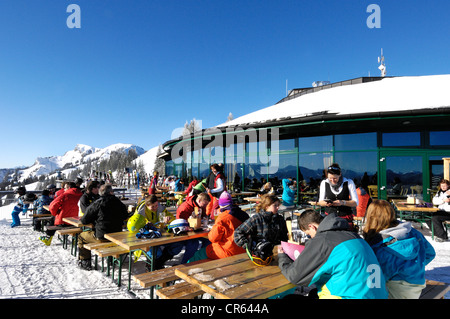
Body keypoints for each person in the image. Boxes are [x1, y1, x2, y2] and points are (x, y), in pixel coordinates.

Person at [278, 209, 388, 299]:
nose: (311, 238)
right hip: (376, 294)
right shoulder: (355, 237)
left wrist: (283, 257)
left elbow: (295, 276)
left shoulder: (324, 240)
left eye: (309, 234)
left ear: (312, 227)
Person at [363, 200, 436, 298]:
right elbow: (430, 253)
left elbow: (378, 278)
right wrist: (414, 267)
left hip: (396, 291)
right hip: (417, 286)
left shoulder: (380, 245)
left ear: (371, 217)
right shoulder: (412, 232)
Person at [77, 184, 129, 270]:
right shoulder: (118, 202)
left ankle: (85, 262)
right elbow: (125, 216)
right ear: (111, 192)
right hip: (117, 236)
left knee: (81, 237)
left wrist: (95, 219)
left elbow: (84, 220)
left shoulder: (98, 203)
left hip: (102, 237)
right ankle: (112, 259)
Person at [188, 191, 249, 262]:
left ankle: (185, 269)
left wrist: (212, 229)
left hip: (228, 251)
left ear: (221, 205)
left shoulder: (223, 217)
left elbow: (213, 238)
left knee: (199, 254)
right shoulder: (244, 215)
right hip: (244, 250)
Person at [234, 194, 288, 264]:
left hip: (273, 255)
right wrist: (248, 246)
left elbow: (284, 238)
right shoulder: (257, 218)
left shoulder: (279, 219)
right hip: (257, 257)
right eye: (275, 205)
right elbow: (238, 232)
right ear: (267, 206)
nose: (278, 207)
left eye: (278, 205)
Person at [317, 163, 358, 231]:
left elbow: (355, 203)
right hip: (330, 219)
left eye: (335, 178)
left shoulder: (349, 182)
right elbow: (320, 202)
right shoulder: (324, 183)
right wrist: (326, 203)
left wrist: (343, 202)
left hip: (345, 218)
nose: (332, 181)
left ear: (340, 174)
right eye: (330, 178)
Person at [40, 181, 83, 246]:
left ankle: (48, 238)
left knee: (53, 218)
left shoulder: (64, 195)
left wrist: (55, 213)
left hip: (63, 223)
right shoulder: (82, 195)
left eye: (65, 188)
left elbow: (52, 206)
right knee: (54, 218)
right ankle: (75, 239)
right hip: (77, 222)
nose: (64, 190)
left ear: (69, 187)